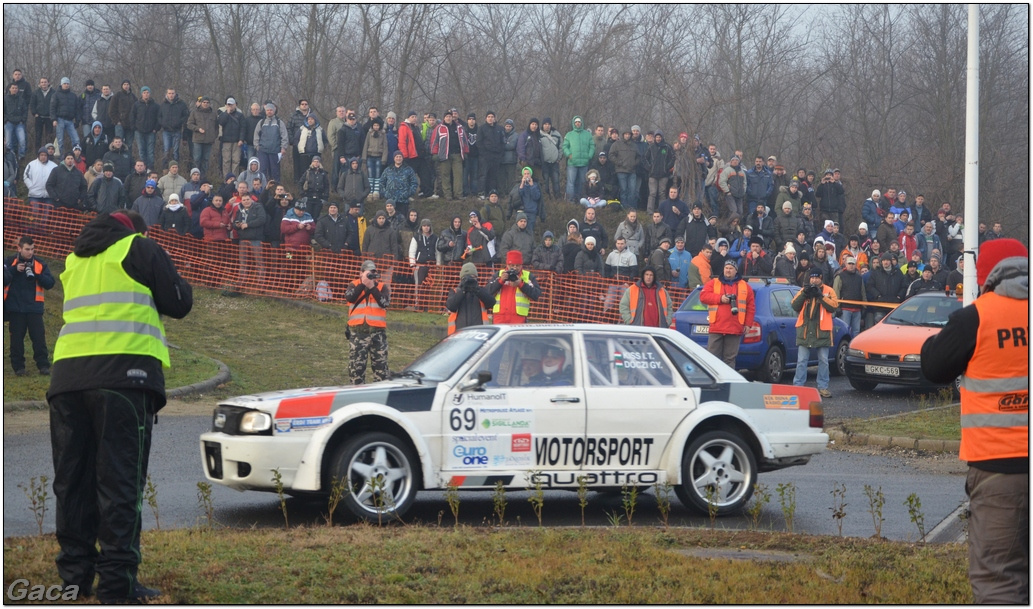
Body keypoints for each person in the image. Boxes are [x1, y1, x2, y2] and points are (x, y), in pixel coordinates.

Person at [48, 209, 192, 603]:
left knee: (73, 485)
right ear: (135, 230)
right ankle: (117, 587)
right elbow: (179, 302)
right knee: (119, 485)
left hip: (67, 381)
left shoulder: (75, 259)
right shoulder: (139, 248)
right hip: (124, 379)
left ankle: (75, 584)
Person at [920, 238, 1028, 604]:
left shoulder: (976, 317)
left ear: (986, 275)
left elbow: (933, 366)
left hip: (1001, 471)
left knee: (999, 582)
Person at [4, 236, 55, 376]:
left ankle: (43, 366)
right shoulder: (9, 262)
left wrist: (37, 274)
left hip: (34, 308)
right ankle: (19, 368)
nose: (30, 252)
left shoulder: (39, 264)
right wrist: (14, 270)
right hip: (15, 309)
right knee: (16, 341)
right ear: (19, 248)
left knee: (39, 338)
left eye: (32, 249)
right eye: (27, 249)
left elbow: (50, 283)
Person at [699, 259, 756, 367]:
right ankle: (713, 383)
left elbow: (751, 307)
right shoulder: (714, 283)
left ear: (736, 271)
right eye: (726, 268)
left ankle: (728, 382)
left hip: (735, 328)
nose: (728, 270)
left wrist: (748, 324)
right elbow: (703, 296)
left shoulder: (745, 286)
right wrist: (720, 298)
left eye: (731, 268)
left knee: (729, 359)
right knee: (711, 359)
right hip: (717, 327)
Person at [791, 267, 839, 398]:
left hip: (822, 331)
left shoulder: (829, 291)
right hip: (805, 331)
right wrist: (804, 294)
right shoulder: (803, 289)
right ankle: (798, 386)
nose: (814, 279)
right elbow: (794, 305)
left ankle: (823, 387)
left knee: (823, 360)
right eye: (812, 277)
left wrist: (820, 296)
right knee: (801, 360)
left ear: (821, 278)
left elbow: (834, 306)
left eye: (816, 277)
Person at [345, 260, 391, 385]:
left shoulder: (382, 287)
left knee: (381, 370)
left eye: (373, 272)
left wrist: (372, 287)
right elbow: (350, 297)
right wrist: (362, 284)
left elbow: (384, 303)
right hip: (358, 333)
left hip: (378, 334)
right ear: (361, 273)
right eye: (368, 272)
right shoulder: (354, 285)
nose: (371, 275)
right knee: (356, 369)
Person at [487, 251, 541, 324]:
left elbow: (536, 294)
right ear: (507, 265)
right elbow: (487, 292)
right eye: (512, 265)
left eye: (517, 265)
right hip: (499, 317)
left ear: (521, 265)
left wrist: (521, 284)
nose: (514, 268)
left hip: (518, 318)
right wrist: (500, 281)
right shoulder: (499, 275)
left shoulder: (527, 276)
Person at [445, 262, 494, 334]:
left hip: (479, 333)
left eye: (472, 277)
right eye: (467, 277)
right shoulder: (455, 291)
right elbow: (451, 306)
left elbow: (491, 303)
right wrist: (463, 290)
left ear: (476, 278)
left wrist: (477, 290)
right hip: (458, 333)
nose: (470, 280)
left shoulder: (481, 291)